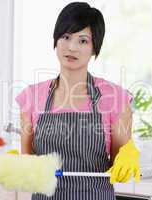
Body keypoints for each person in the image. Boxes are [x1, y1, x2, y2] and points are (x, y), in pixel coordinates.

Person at [15, 2, 140, 199]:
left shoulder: (114, 98)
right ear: (56, 40)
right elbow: (28, 166)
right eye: (66, 37)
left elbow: (119, 168)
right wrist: (13, 167)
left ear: (94, 48)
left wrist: (128, 155)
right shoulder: (31, 97)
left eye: (83, 41)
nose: (72, 47)